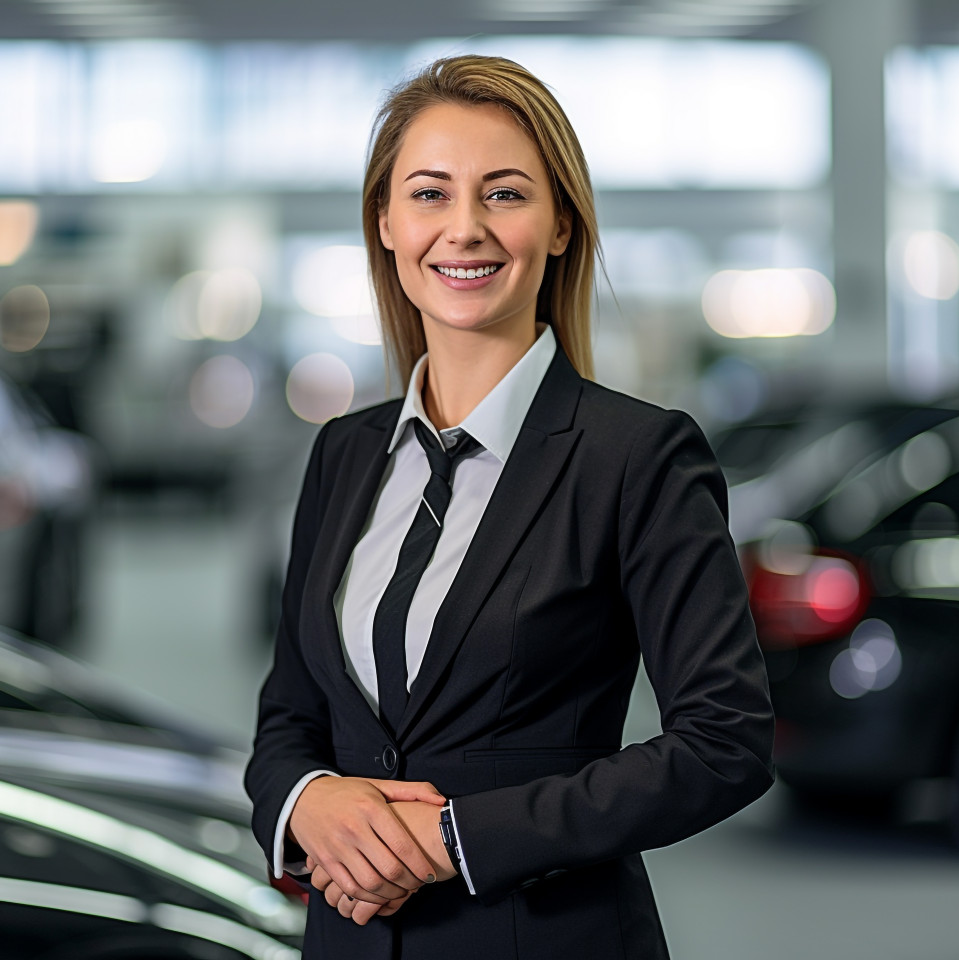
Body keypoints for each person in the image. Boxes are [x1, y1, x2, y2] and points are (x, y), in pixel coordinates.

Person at [245, 54, 775, 959]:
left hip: (545, 937)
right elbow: (292, 713)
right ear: (385, 223)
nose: (463, 229)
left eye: (503, 194)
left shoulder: (635, 456)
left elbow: (725, 741)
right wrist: (306, 801)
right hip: (352, 941)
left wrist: (461, 841)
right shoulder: (344, 452)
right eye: (428, 194)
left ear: (561, 224)